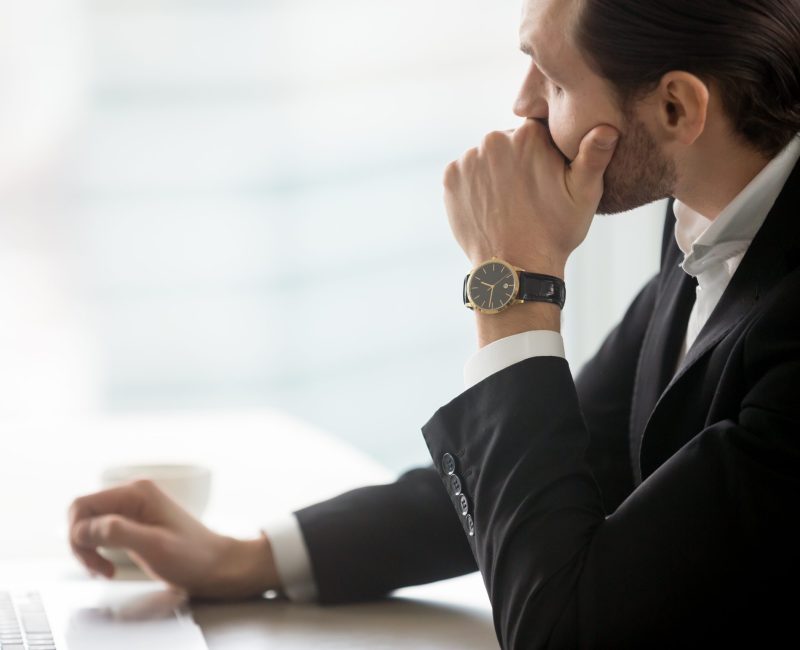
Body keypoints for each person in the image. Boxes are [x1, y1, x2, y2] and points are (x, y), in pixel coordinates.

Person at [69, 0, 800, 646]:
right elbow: (558, 460)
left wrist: (511, 286)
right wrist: (246, 557)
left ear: (676, 109)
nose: (522, 106)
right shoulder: (712, 222)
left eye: (551, 78)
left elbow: (562, 628)